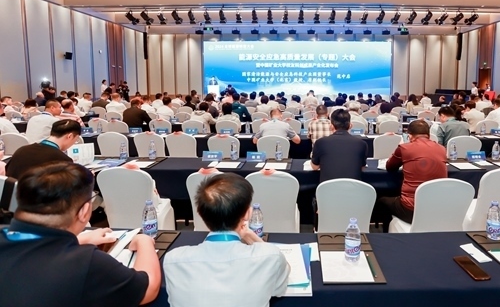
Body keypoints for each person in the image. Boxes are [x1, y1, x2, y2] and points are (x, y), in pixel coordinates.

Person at [0, 161, 160, 307]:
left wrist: (78, 240)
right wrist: (144, 241)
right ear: (84, 211)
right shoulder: (87, 262)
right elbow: (149, 289)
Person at [163, 173, 289, 307]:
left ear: (199, 214)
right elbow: (278, 288)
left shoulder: (173, 260)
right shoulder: (271, 256)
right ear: (248, 213)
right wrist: (251, 236)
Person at [379, 120, 447, 227]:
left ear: (409, 136)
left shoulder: (404, 148)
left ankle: (387, 233)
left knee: (382, 201)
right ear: (429, 135)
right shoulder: (442, 149)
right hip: (437, 208)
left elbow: (390, 167)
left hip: (410, 210)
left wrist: (400, 147)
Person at [6, 119, 80, 180]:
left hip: (12, 192)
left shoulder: (22, 150)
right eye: (75, 139)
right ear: (70, 136)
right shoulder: (63, 160)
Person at [311, 108, 368, 181]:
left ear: (331, 126)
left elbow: (315, 167)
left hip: (327, 187)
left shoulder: (320, 142)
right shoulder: (361, 144)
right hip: (353, 187)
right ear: (350, 125)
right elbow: (362, 167)